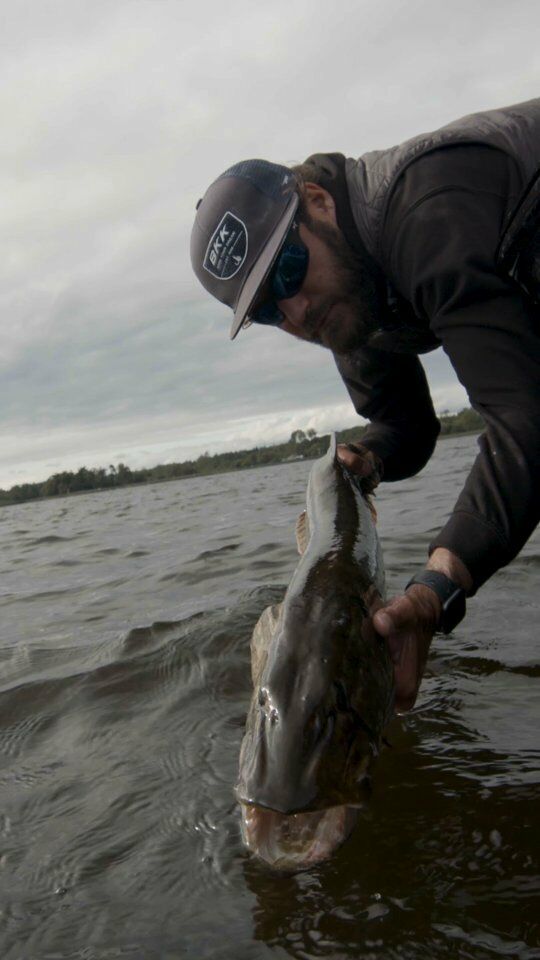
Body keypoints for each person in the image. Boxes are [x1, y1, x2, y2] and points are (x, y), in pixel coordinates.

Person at [190, 99, 540, 712]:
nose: (294, 312)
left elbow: (527, 421)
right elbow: (408, 426)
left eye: (289, 269)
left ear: (319, 202)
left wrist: (435, 589)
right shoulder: (344, 305)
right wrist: (368, 460)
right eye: (268, 310)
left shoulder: (424, 217)